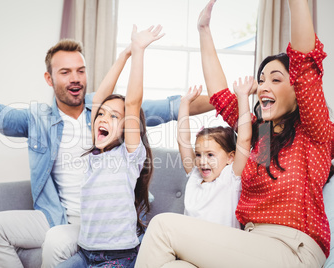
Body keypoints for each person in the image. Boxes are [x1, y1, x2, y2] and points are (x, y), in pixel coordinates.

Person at [0, 32, 213, 266]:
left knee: (57, 240)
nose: (75, 78)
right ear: (49, 78)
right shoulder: (39, 119)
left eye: (80, 71)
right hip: (53, 215)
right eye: (65, 72)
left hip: (97, 225)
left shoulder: (106, 113)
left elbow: (170, 106)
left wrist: (228, 100)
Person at [135, 0, 332, 267]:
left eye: (275, 79)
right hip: (249, 243)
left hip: (291, 248)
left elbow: (306, 62)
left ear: (299, 91)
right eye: (261, 79)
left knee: (162, 228)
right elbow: (220, 96)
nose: (263, 86)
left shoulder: (313, 132)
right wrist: (203, 30)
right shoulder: (262, 139)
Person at [54, 24, 164, 268]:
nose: (103, 118)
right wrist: (123, 56)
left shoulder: (128, 156)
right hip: (86, 253)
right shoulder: (94, 153)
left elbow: (133, 102)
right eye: (101, 115)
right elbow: (96, 100)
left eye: (114, 116)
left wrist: (138, 52)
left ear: (128, 128)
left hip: (118, 255)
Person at [177, 78, 252, 229]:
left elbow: (244, 140)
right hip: (190, 246)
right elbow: (182, 141)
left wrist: (243, 96)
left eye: (210, 155)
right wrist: (185, 103)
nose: (202, 161)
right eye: (198, 155)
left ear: (230, 157)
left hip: (220, 248)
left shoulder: (230, 178)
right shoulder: (194, 176)